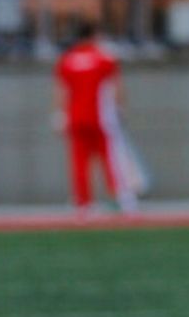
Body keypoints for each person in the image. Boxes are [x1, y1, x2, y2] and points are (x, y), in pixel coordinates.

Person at [54, 22, 140, 214]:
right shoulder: (104, 59)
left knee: (79, 163)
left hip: (75, 117)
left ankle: (82, 204)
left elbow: (62, 90)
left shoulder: (67, 60)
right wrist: (119, 108)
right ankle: (122, 199)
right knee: (111, 160)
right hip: (101, 118)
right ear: (95, 36)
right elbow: (116, 86)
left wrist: (59, 114)